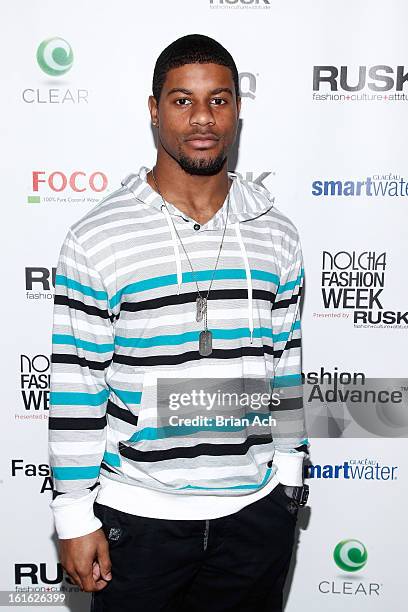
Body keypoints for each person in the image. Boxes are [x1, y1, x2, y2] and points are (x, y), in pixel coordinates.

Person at [48, 33, 309, 612]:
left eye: (219, 100)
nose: (202, 119)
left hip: (256, 512)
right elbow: (76, 382)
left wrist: (290, 469)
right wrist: (72, 512)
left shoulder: (277, 232)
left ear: (239, 110)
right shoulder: (98, 236)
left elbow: (285, 359)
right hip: (139, 518)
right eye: (182, 100)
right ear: (153, 109)